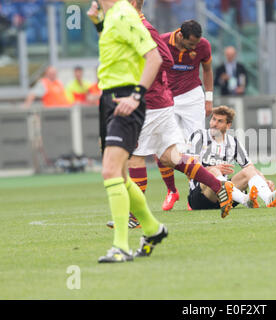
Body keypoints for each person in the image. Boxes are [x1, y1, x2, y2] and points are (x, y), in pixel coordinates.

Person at [92, 0, 235, 230]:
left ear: (132, 3)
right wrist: (98, 23)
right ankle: (219, 186)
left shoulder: (144, 27)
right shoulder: (131, 23)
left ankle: (135, 216)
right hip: (161, 102)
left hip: (152, 103)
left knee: (135, 157)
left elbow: (163, 60)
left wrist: (143, 89)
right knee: (171, 158)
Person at [87, 0, 167, 263]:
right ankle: (154, 230)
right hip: (109, 99)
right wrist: (98, 24)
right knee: (120, 175)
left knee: (110, 171)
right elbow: (119, 54)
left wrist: (136, 96)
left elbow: (153, 57)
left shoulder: (123, 13)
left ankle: (120, 247)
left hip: (125, 99)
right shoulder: (110, 15)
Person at [156, 20, 215, 211]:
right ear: (180, 36)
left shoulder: (203, 45)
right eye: (191, 44)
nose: (194, 48)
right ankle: (172, 190)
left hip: (192, 96)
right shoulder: (162, 41)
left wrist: (209, 98)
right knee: (165, 148)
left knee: (196, 145)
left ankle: (194, 194)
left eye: (196, 44)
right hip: (167, 98)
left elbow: (207, 70)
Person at [187, 106, 276, 211]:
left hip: (224, 196)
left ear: (228, 125)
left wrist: (264, 181)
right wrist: (213, 169)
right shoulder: (199, 136)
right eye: (213, 119)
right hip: (200, 197)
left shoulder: (233, 142)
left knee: (248, 170)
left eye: (220, 121)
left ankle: (268, 198)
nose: (214, 124)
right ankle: (244, 199)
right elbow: (190, 170)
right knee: (214, 170)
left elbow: (250, 168)